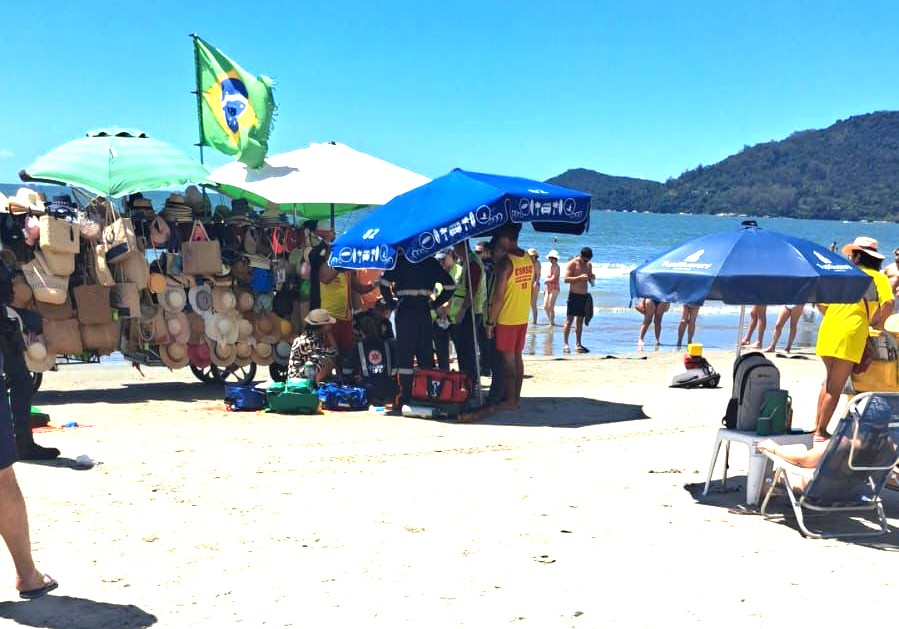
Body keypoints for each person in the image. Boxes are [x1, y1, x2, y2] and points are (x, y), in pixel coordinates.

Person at [813, 237, 893, 440]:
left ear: (858, 256)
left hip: (829, 328)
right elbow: (889, 303)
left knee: (828, 382)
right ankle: (821, 432)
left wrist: (836, 318)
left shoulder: (843, 274)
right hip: (852, 332)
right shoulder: (877, 277)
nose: (850, 257)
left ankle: (816, 427)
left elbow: (821, 303)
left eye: (852, 254)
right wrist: (878, 323)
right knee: (836, 386)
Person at [380, 252, 455, 407]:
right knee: (425, 354)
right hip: (423, 311)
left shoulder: (400, 261)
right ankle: (426, 393)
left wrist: (391, 303)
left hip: (405, 312)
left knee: (405, 356)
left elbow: (383, 284)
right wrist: (434, 304)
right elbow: (450, 286)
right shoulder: (431, 263)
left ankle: (405, 396)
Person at [486, 225, 535, 408]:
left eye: (499, 239)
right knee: (517, 358)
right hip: (522, 316)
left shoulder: (505, 263)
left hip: (507, 317)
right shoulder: (528, 259)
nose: (498, 242)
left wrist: (490, 321)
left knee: (508, 363)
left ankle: (511, 400)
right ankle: (516, 396)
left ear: (506, 239)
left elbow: (498, 297)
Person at [319, 245, 376, 375]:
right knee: (331, 354)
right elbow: (326, 279)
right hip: (329, 318)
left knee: (347, 353)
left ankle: (345, 380)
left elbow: (359, 288)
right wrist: (341, 265)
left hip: (346, 318)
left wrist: (375, 284)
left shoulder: (348, 270)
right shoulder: (324, 266)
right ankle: (328, 380)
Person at [287, 308, 338, 383]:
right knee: (328, 361)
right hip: (299, 381)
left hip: (298, 377)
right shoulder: (310, 341)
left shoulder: (310, 335)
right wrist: (329, 333)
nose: (330, 324)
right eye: (328, 323)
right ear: (322, 325)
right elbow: (335, 352)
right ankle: (313, 385)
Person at [562, 247, 594, 353]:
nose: (586, 262)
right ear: (581, 256)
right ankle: (566, 344)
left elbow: (590, 280)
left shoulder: (589, 264)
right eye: (585, 260)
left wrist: (591, 278)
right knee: (569, 319)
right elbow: (566, 279)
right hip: (573, 295)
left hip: (583, 296)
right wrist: (579, 278)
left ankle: (578, 344)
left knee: (580, 321)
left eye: (588, 260)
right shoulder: (573, 263)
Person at [431, 250, 460, 370]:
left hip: (455, 318)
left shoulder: (459, 271)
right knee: (441, 352)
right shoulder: (436, 271)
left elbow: (457, 292)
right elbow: (430, 290)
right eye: (440, 259)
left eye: (444, 258)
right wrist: (437, 307)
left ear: (451, 256)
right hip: (438, 318)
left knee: (462, 351)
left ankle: (466, 381)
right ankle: (444, 378)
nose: (441, 261)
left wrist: (446, 308)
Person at [542, 249, 561, 327]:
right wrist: (546, 284)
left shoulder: (557, 267)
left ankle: (551, 323)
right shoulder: (551, 266)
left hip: (554, 288)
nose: (550, 259)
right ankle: (550, 320)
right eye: (550, 258)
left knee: (551, 306)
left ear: (555, 258)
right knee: (545, 306)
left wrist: (546, 281)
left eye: (551, 258)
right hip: (548, 287)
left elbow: (554, 278)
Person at [527, 248, 540, 324]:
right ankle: (529, 320)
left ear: (535, 256)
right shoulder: (528, 262)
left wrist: (536, 283)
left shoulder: (537, 263)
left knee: (533, 303)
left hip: (535, 284)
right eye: (530, 256)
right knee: (527, 303)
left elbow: (538, 275)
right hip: (528, 284)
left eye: (533, 256)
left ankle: (535, 321)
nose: (531, 257)